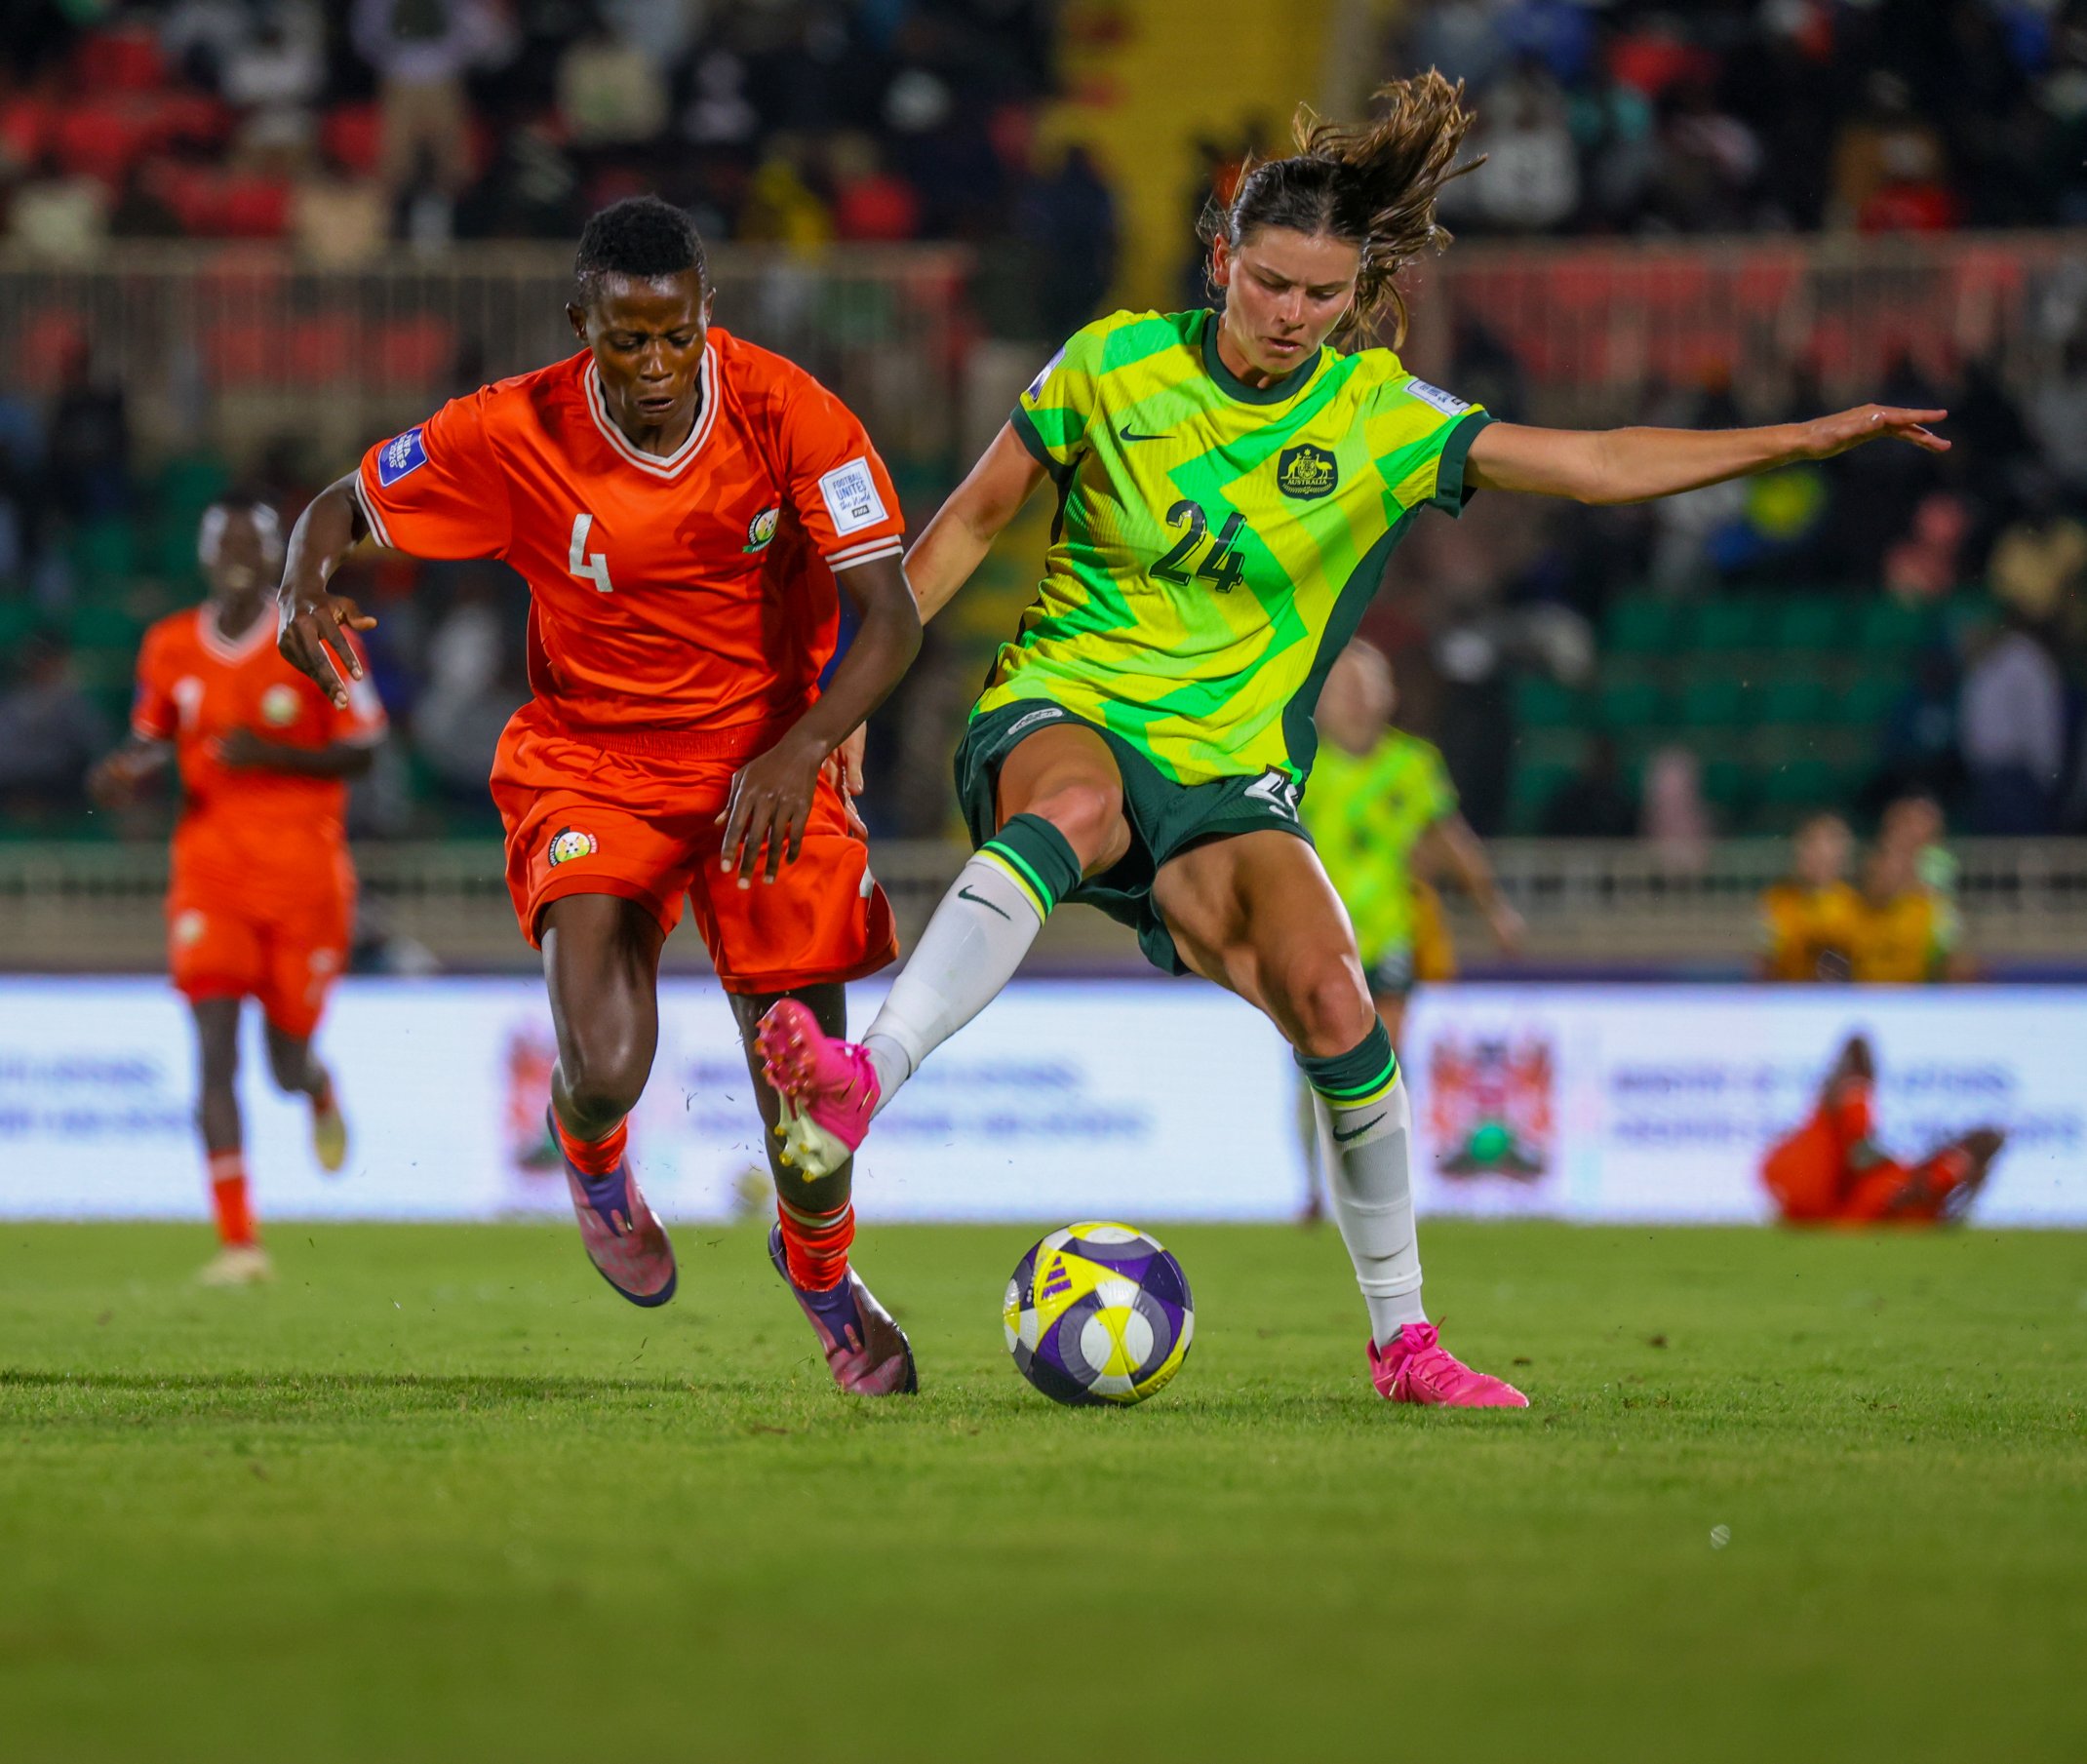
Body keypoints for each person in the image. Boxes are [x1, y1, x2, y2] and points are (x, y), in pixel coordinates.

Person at [756, 71, 1949, 1410]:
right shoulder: (1109, 363)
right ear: (1223, 259)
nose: (1291, 314)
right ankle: (864, 1082)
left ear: (1356, 293)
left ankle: (1405, 1344)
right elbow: (972, 520)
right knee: (1077, 808)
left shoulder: (1381, 417)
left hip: (1228, 773)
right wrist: (852, 700)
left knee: (1339, 1005)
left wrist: (1808, 437)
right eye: (1270, 282)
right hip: (1064, 704)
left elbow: (1597, 462)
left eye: (1323, 295)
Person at [274, 198, 925, 1394]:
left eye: (677, 335)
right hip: (595, 764)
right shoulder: (511, 427)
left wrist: (809, 745)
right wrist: (301, 584)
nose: (658, 363)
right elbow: (344, 503)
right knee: (610, 1063)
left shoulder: (791, 412)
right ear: (582, 323)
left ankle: (823, 1275)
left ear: (706, 314)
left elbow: (893, 613)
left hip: (766, 766)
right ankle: (592, 1158)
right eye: (629, 340)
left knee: (806, 1102)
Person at [88, 497, 379, 1285]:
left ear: (278, 555)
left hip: (303, 876)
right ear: (206, 555)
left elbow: (368, 747)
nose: (241, 559)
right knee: (213, 1051)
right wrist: (123, 771)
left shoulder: (315, 633)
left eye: (256, 545)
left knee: (283, 1061)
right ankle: (239, 1241)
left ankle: (317, 1086)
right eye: (229, 546)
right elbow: (151, 737)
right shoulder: (170, 644)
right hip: (210, 872)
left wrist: (271, 756)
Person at [1294, 636, 1520, 1218]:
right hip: (1314, 939)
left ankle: (1382, 1182)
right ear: (1322, 699)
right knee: (1316, 1065)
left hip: (1389, 934)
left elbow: (1450, 839)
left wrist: (1493, 909)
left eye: (1368, 686)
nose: (1357, 699)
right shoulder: (1300, 764)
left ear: (1389, 696)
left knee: (1384, 1058)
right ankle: (1316, 1187)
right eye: (1344, 687)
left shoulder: (1412, 764)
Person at [1762, 1036, 2003, 1225]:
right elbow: (1862, 1154)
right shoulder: (1855, 1096)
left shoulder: (1836, 1097)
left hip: (1797, 1180)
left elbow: (1860, 1154)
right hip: (1826, 1188)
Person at [1758, 810, 1862, 982]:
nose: (1818, 857)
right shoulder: (1776, 901)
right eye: (1811, 846)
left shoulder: (1855, 905)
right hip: (1786, 993)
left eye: (1828, 848)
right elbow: (1764, 964)